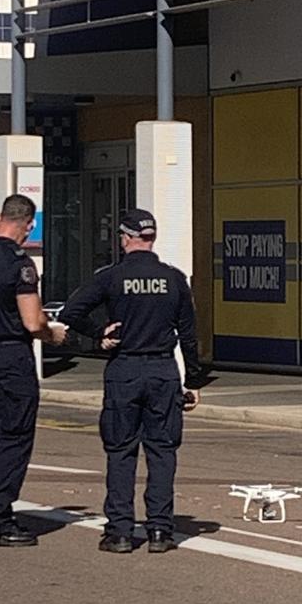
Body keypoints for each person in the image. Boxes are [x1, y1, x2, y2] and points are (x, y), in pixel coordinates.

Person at [61, 207, 205, 554]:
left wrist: (100, 334)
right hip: (162, 371)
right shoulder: (174, 278)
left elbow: (69, 313)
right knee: (162, 453)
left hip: (124, 369)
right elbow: (189, 334)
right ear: (151, 238)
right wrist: (194, 381)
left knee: (121, 451)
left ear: (125, 238)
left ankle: (121, 532)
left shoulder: (110, 276)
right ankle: (159, 531)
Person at [0, 194, 66, 547]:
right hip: (12, 356)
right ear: (29, 224)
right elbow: (32, 321)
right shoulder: (19, 264)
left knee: (0, 433)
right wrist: (54, 334)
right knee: (15, 437)